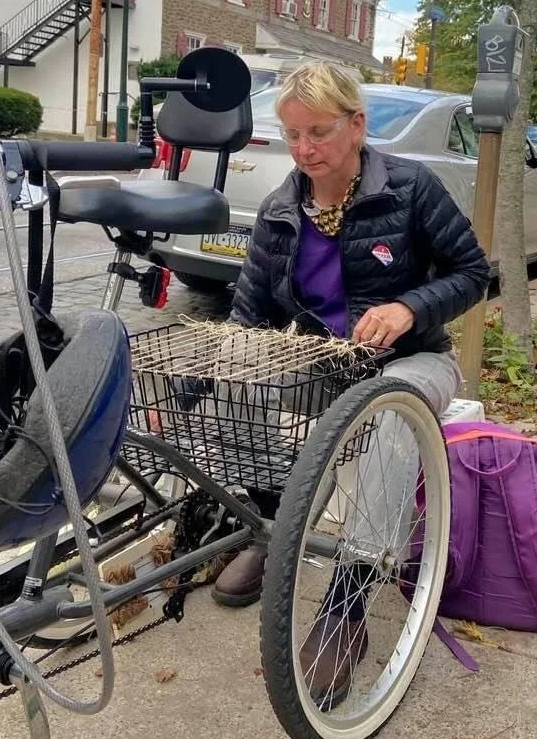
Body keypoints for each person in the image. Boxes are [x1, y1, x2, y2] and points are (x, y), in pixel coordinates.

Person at [209, 62, 490, 697]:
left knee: (387, 411)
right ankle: (274, 527)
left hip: (414, 360)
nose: (304, 149)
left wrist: (409, 307)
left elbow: (475, 272)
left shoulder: (411, 188)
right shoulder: (281, 211)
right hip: (325, 362)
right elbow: (248, 319)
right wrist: (202, 382)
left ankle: (346, 602)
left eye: (319, 132)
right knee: (239, 375)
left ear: (356, 125)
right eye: (291, 134)